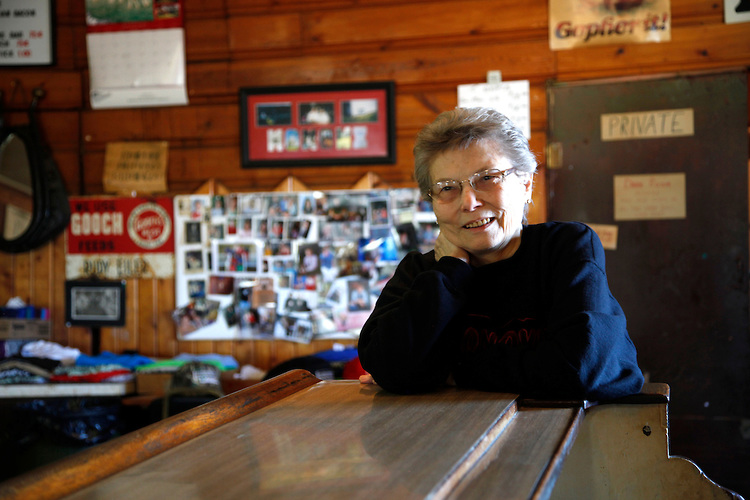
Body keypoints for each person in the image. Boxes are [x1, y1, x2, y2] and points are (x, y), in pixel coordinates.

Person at [357, 107, 644, 401]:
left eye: (487, 178)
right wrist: (451, 271)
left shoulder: (564, 247)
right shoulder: (422, 272)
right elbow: (386, 367)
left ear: (526, 183)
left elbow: (580, 368)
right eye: (447, 187)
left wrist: (452, 373)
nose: (469, 202)